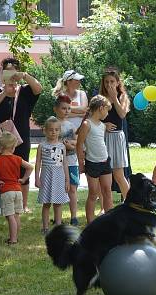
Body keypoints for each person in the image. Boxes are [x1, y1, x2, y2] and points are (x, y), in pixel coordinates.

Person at [0, 62, 42, 213]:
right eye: (7, 72)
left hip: (21, 137)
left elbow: (39, 89)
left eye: (14, 72)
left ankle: (23, 205)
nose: (11, 75)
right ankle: (2, 205)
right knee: (1, 167)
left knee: (21, 167)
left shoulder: (25, 91)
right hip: (0, 136)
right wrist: (5, 93)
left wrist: (26, 76)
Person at [76, 95, 114, 224]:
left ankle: (110, 221)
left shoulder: (102, 125)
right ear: (101, 108)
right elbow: (79, 144)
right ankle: (90, 222)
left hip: (105, 162)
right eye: (107, 110)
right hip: (92, 163)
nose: (107, 113)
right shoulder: (87, 124)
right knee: (93, 193)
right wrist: (81, 163)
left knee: (107, 191)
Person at [0, 132, 33, 244]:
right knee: (16, 215)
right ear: (13, 147)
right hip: (18, 190)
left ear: (0, 147)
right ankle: (15, 235)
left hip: (6, 191)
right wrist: (24, 179)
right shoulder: (17, 158)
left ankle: (13, 239)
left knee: (10, 216)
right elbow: (30, 167)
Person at [35, 117, 69, 234]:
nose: (53, 132)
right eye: (50, 130)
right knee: (47, 203)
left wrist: (67, 180)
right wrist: (37, 178)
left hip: (59, 176)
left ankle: (58, 227)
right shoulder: (42, 146)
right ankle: (45, 227)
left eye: (56, 130)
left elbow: (64, 163)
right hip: (46, 176)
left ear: (59, 131)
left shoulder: (62, 146)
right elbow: (38, 162)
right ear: (45, 131)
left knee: (58, 203)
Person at [100, 68, 131, 199]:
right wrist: (103, 125)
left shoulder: (122, 96)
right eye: (106, 82)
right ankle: (104, 206)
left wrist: (114, 99)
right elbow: (92, 118)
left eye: (112, 81)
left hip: (117, 137)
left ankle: (130, 202)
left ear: (118, 82)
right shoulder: (100, 99)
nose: (109, 85)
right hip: (101, 137)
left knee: (119, 175)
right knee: (102, 174)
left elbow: (122, 114)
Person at [54, 95, 80, 226]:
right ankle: (57, 217)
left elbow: (77, 141)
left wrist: (70, 144)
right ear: (56, 109)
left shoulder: (71, 125)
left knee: (73, 189)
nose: (67, 111)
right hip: (56, 162)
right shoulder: (52, 124)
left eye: (69, 108)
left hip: (71, 161)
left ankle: (74, 216)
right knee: (57, 188)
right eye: (64, 108)